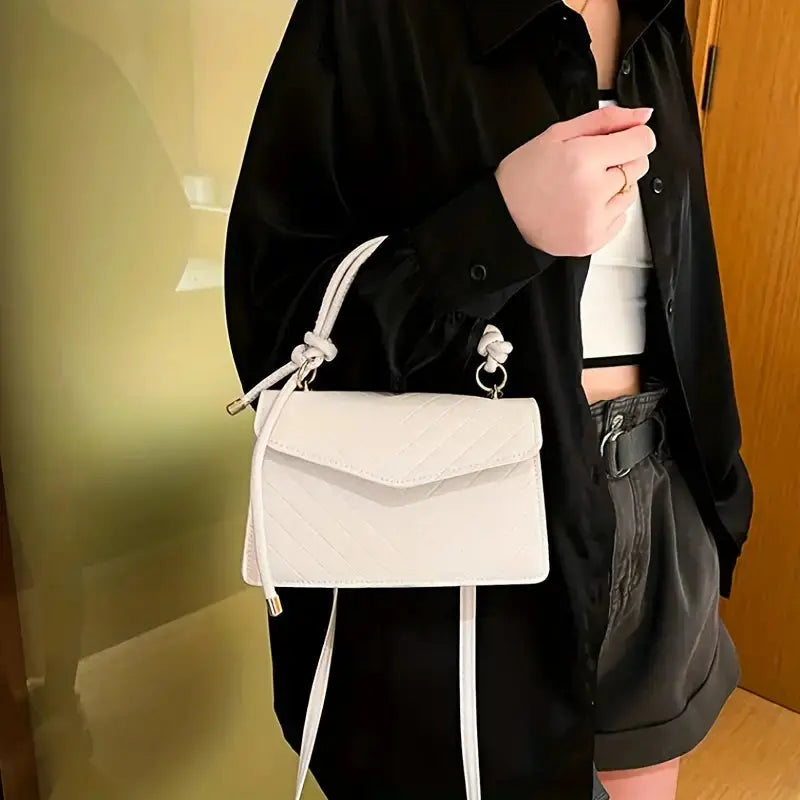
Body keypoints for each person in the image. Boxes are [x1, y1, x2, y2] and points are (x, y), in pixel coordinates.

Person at [225, 0, 754, 798]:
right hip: (466, 527)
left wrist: (717, 493)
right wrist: (496, 227)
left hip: (660, 500)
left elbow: (686, 271)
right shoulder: (375, 16)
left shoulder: (656, 19)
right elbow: (277, 322)